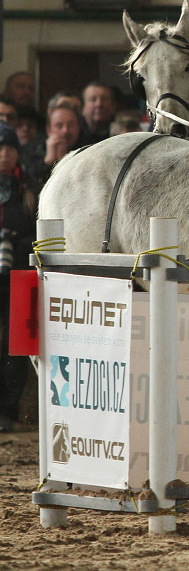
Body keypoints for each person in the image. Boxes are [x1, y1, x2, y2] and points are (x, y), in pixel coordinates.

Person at [0, 123, 38, 430]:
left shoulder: (29, 187)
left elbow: (40, 231)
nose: (3, 155)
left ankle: (9, 410)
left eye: (9, 148)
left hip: (18, 275)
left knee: (15, 344)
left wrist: (14, 241)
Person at [20, 105, 81, 187]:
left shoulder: (88, 150)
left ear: (78, 127)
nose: (65, 130)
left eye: (70, 125)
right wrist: (48, 161)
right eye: (59, 126)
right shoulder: (31, 152)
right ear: (48, 130)